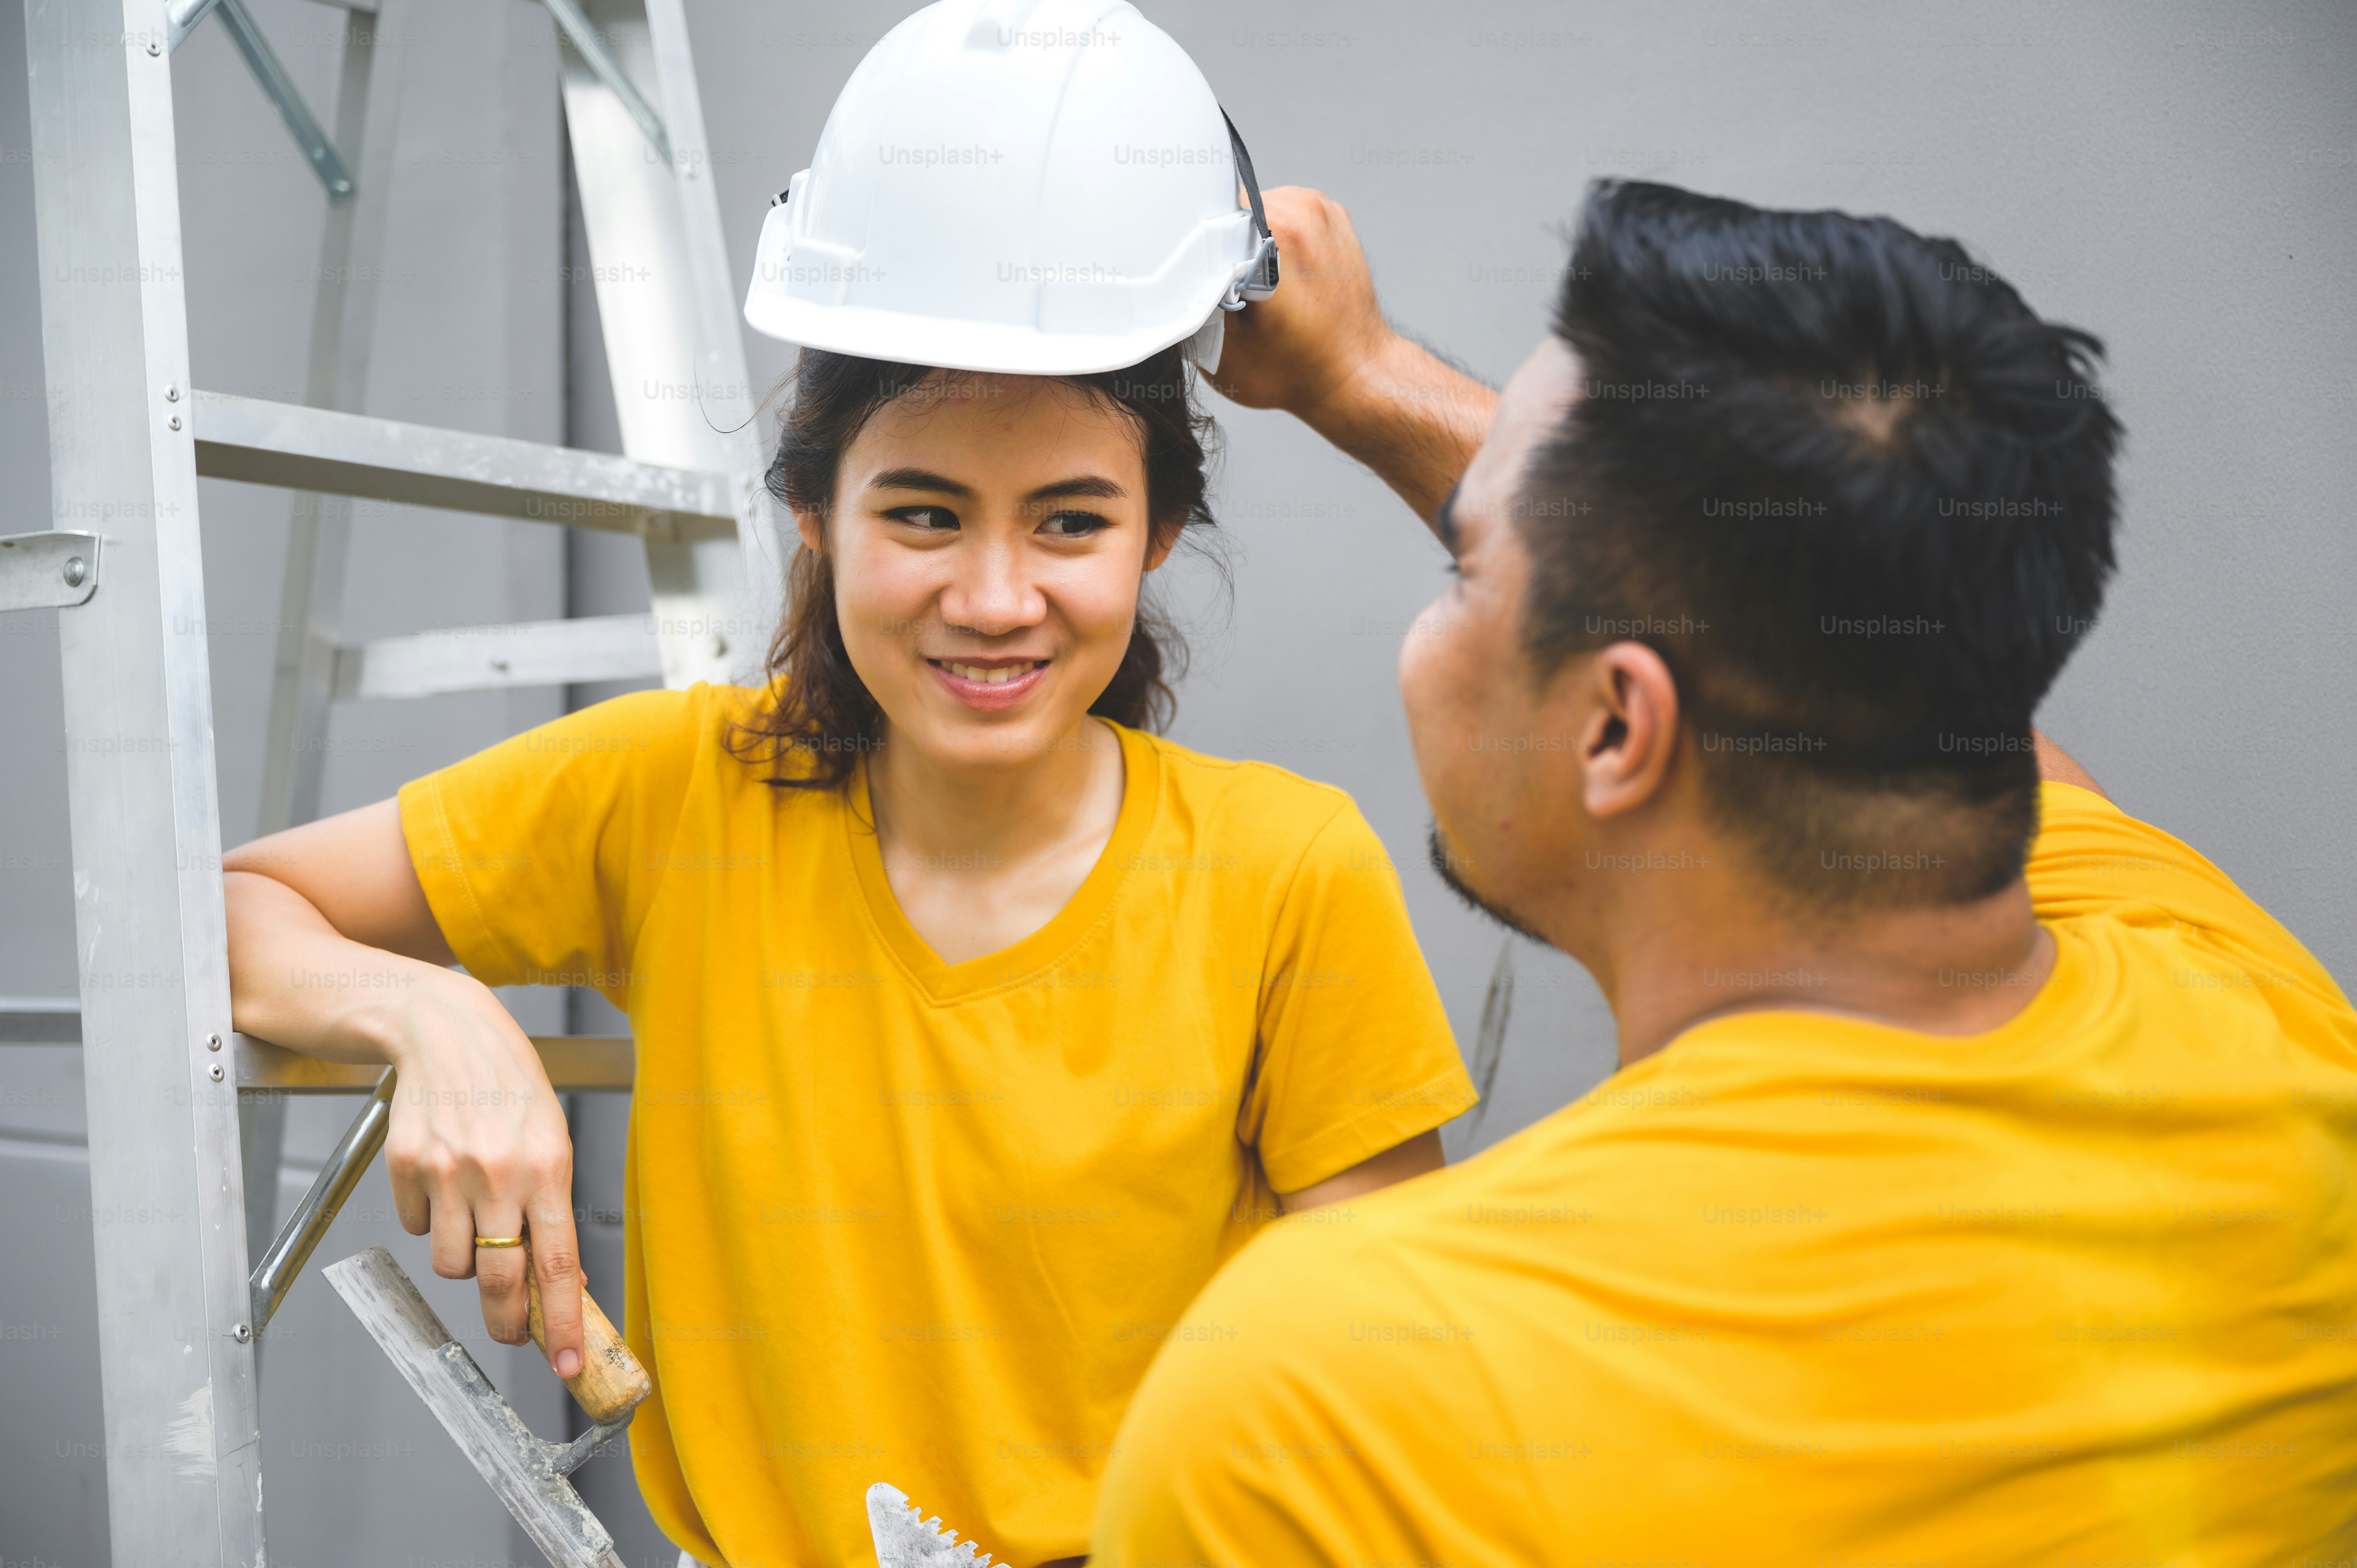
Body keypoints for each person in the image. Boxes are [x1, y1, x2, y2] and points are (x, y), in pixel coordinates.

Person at [220, 8, 1476, 1564]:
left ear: (1158, 532)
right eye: (928, 514)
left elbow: (1382, 1385)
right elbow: (225, 911)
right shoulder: (671, 792)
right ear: (815, 507)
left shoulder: (1283, 869)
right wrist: (433, 1017)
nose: (998, 596)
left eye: (1072, 523)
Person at [1091, 181, 2357, 1563]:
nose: (1438, 607)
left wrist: (1372, 381)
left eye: (1467, 567)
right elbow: (1940, 675)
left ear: (1620, 727)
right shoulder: (2279, 1038)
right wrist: (1360, 373)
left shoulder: (1330, 1422)